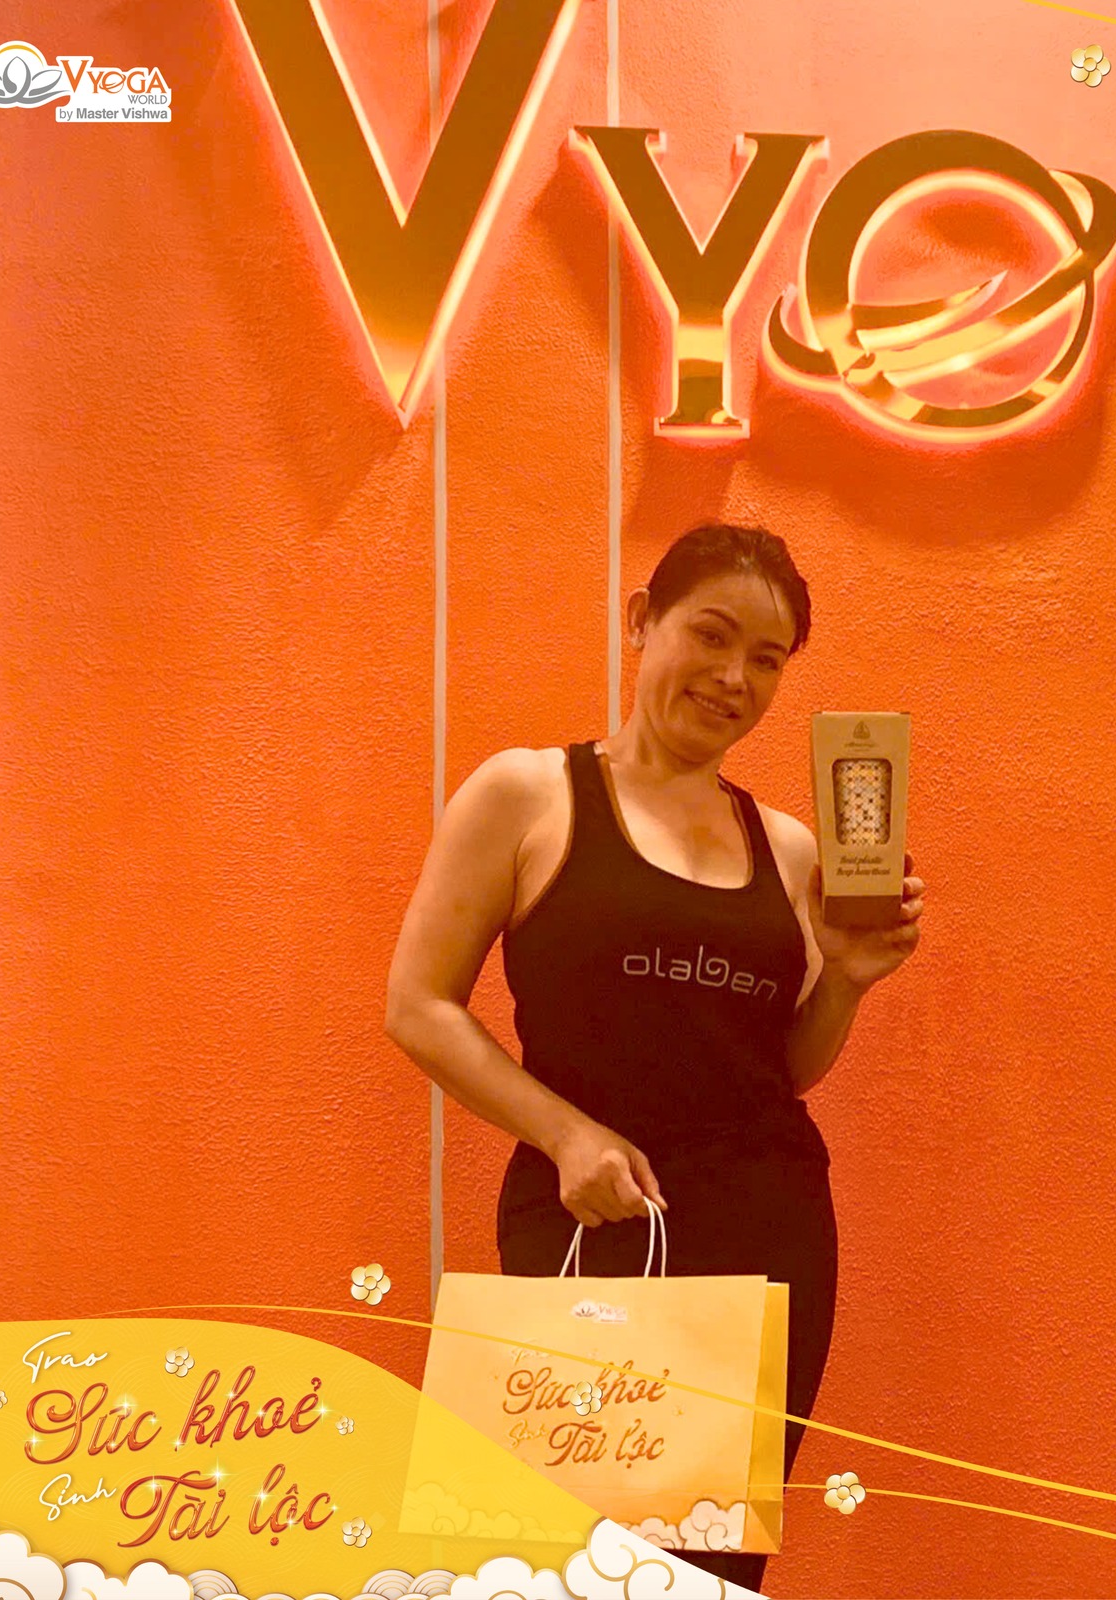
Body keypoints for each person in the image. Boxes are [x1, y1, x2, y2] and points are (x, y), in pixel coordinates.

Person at [383, 521, 924, 1593]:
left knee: (712, 1569)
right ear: (641, 621)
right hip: (589, 1215)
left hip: (764, 1229)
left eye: (766, 659)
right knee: (574, 1562)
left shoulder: (788, 848)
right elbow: (418, 1005)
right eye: (710, 636)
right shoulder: (527, 794)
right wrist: (564, 1133)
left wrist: (849, 979)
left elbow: (780, 1072)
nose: (733, 679)